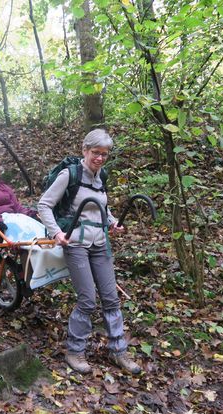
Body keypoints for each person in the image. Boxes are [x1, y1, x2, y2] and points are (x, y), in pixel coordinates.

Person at [38, 128, 141, 375]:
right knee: (87, 299)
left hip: (100, 243)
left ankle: (119, 351)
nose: (100, 158)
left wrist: (112, 222)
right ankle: (75, 351)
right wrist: (56, 232)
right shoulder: (69, 175)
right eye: (95, 152)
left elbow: (99, 208)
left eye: (104, 154)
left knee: (111, 298)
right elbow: (44, 205)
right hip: (76, 244)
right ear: (85, 150)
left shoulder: (100, 176)